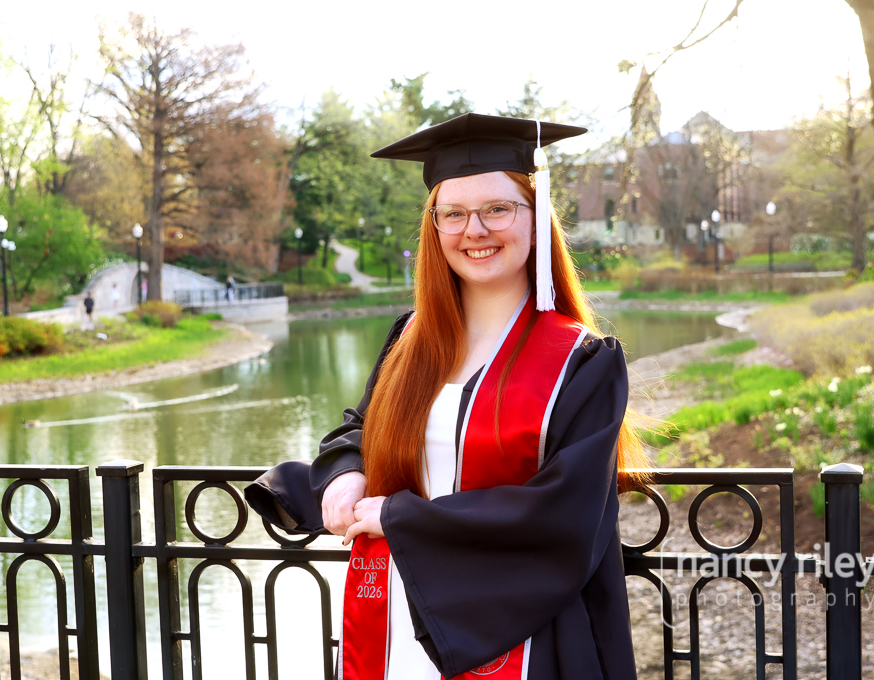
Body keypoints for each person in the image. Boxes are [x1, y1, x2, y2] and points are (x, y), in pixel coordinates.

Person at [246, 113, 650, 680]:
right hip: (392, 624)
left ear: (536, 218)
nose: (474, 230)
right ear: (434, 227)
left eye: (497, 208)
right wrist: (344, 471)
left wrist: (403, 518)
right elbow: (359, 427)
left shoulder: (582, 360)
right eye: (453, 213)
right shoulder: (411, 341)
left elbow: (567, 515)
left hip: (527, 633)